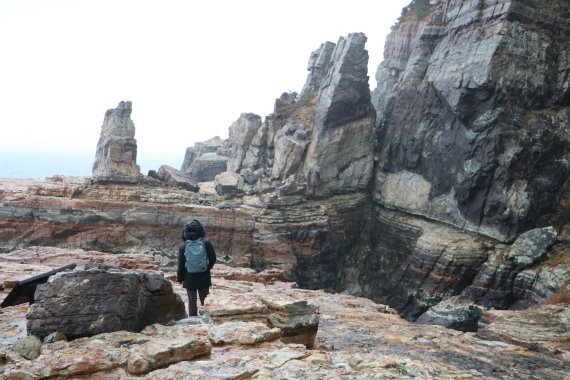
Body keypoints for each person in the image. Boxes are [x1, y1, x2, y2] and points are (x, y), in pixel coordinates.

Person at [177, 219, 216, 316]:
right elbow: (213, 259)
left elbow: (180, 265)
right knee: (205, 299)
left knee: (192, 301)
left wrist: (180, 278)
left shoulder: (183, 246)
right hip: (204, 276)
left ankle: (192, 319)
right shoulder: (206, 243)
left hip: (189, 278)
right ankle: (206, 318)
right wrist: (206, 268)